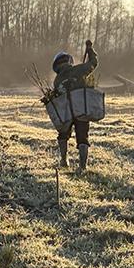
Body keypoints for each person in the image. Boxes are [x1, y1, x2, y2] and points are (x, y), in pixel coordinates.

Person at [53, 40, 99, 171]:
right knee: (82, 137)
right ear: (69, 61)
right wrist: (90, 49)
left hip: (65, 112)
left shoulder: (57, 80)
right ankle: (82, 167)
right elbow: (93, 63)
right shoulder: (80, 69)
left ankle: (63, 160)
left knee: (63, 134)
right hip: (81, 109)